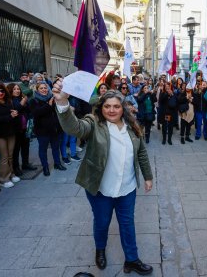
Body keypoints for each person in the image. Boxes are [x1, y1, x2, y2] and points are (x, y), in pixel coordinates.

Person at [52, 80, 154, 276]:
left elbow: (141, 153)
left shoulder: (132, 126)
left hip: (127, 188)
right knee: (101, 222)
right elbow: (75, 128)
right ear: (101, 108)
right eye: (107, 106)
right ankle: (100, 250)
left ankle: (131, 260)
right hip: (100, 189)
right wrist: (63, 103)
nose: (112, 110)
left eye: (116, 106)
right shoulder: (94, 123)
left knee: (127, 224)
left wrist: (147, 176)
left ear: (122, 108)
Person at [29, 82, 66, 176]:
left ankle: (57, 164)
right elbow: (36, 113)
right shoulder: (34, 101)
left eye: (45, 88)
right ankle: (45, 167)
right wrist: (48, 105)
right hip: (42, 131)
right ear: (37, 90)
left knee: (55, 148)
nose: (44, 90)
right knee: (43, 149)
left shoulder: (52, 98)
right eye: (41, 88)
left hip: (54, 129)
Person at [9, 83, 37, 176]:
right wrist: (23, 102)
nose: (17, 91)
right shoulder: (9, 101)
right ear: (10, 91)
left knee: (26, 147)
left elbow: (29, 110)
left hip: (25, 127)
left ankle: (25, 164)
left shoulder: (22, 98)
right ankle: (16, 167)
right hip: (16, 129)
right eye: (14, 89)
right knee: (16, 150)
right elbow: (16, 109)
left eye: (18, 89)